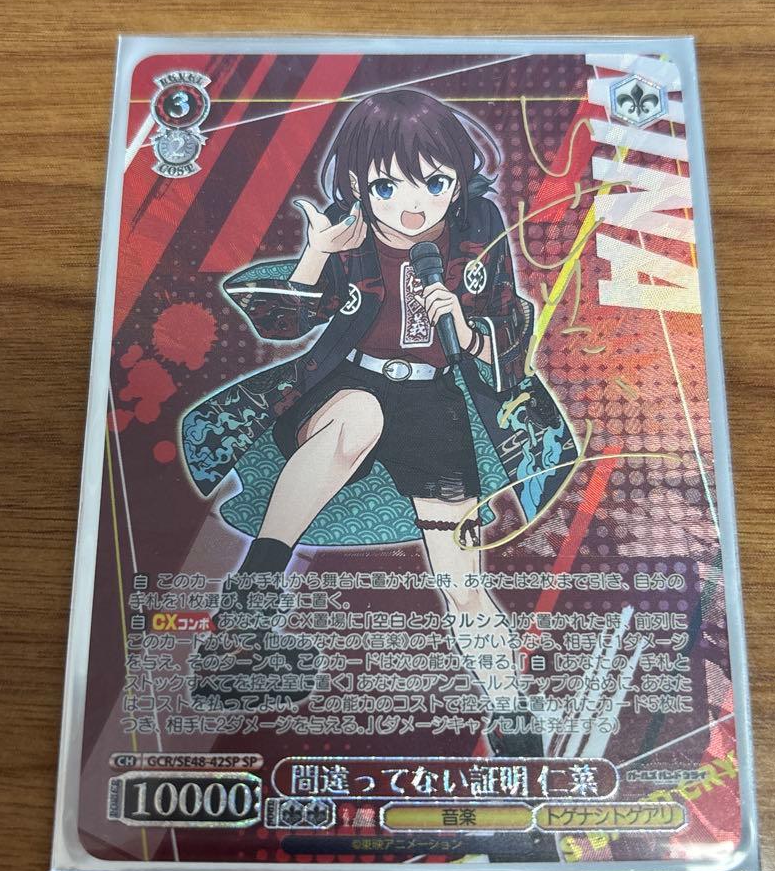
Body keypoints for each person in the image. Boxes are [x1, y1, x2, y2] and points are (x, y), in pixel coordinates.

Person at [181, 89, 578, 758]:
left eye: (435, 182)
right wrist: (316, 253)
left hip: (435, 406)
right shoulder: (350, 233)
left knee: (462, 581)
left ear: (459, 179)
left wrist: (465, 329)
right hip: (349, 385)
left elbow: (508, 334)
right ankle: (240, 631)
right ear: (360, 184)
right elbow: (283, 324)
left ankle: (509, 709)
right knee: (357, 415)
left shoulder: (476, 230)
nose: (412, 206)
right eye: (388, 186)